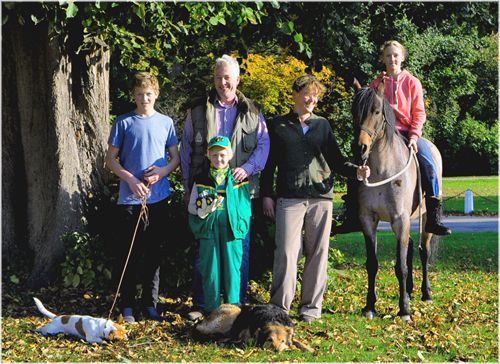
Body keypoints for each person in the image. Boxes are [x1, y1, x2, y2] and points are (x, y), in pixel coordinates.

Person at [261, 75, 370, 322]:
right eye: (308, 94)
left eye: (316, 95)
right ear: (295, 95)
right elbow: (268, 166)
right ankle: (280, 307)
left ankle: (310, 308)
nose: (312, 99)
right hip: (289, 197)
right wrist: (267, 195)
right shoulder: (277, 125)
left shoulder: (323, 125)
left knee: (318, 253)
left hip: (321, 198)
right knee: (287, 253)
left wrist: (356, 171)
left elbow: (336, 159)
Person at [180, 54, 269, 320]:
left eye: (227, 77)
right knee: (205, 247)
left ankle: (236, 306)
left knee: (237, 247)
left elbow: (264, 146)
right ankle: (201, 305)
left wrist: (248, 168)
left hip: (239, 191)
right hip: (205, 187)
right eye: (218, 77)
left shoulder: (252, 111)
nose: (222, 82)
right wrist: (187, 187)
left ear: (237, 79)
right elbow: (185, 149)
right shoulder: (197, 109)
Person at [335, 40, 451, 236]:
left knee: (429, 163)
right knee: (357, 163)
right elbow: (368, 110)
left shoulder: (412, 82)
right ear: (383, 59)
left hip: (406, 132)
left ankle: (433, 216)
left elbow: (419, 114)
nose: (392, 59)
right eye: (388, 55)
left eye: (396, 55)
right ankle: (353, 214)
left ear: (402, 57)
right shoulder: (376, 83)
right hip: (382, 135)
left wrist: (414, 137)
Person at [105, 72, 180, 323]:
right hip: (130, 200)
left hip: (158, 198)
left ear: (156, 94)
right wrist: (131, 180)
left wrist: (162, 172)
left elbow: (175, 159)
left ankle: (150, 304)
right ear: (133, 96)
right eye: (139, 94)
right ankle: (126, 305)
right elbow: (110, 160)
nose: (144, 98)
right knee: (129, 253)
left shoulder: (166, 122)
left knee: (153, 253)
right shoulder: (124, 123)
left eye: (148, 94)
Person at [187, 136, 251, 314]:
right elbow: (192, 206)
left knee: (232, 270)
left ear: (230, 155)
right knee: (211, 270)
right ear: (208, 155)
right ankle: (212, 312)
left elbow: (245, 207)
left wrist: (241, 227)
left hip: (232, 230)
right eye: (214, 155)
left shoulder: (239, 179)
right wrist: (203, 208)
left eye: (222, 154)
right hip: (209, 230)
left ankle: (233, 311)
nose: (219, 159)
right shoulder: (201, 179)